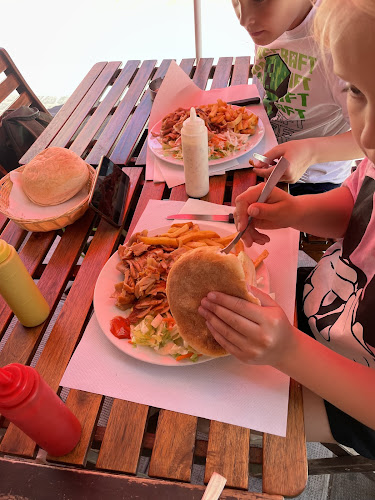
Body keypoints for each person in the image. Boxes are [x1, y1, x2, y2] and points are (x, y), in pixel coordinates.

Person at [198, 0, 375, 457]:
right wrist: (294, 211)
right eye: (356, 91)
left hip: (357, 399)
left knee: (211, 412)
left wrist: (288, 352)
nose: (368, 136)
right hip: (324, 306)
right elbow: (357, 204)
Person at [231, 0, 364, 195]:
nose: (243, 19)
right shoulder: (271, 24)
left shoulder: (339, 43)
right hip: (262, 156)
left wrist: (310, 153)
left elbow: (368, 139)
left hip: (316, 183)